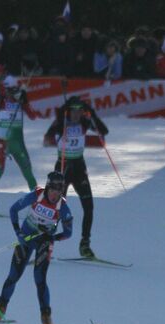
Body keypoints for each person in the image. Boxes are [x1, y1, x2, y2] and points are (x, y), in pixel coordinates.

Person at [0, 170, 74, 324]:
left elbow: (68, 233)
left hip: (44, 242)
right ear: (47, 188)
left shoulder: (63, 208)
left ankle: (46, 316)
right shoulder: (37, 195)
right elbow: (13, 210)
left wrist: (52, 237)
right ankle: (0, 309)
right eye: (52, 190)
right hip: (27, 238)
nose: (54, 195)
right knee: (14, 275)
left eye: (58, 191)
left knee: (39, 278)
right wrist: (18, 233)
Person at [43, 95, 108, 258]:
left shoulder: (84, 122)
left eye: (80, 111)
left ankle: (85, 244)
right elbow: (48, 137)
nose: (77, 114)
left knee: (88, 206)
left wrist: (92, 113)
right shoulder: (61, 122)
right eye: (74, 110)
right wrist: (61, 118)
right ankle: (45, 243)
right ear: (68, 111)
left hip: (79, 167)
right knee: (54, 207)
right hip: (63, 168)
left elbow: (103, 131)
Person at [0, 71, 39, 190]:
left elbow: (33, 116)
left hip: (18, 144)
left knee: (29, 174)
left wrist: (25, 100)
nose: (12, 93)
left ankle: (37, 199)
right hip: (2, 143)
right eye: (10, 90)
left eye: (14, 89)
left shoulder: (19, 100)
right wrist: (1, 69)